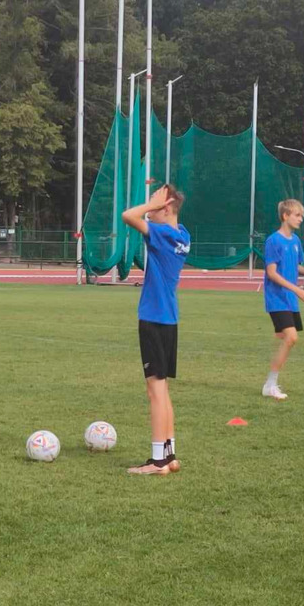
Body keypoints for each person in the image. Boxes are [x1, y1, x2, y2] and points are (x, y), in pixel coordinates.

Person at [120, 184, 192, 476]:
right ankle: (169, 454)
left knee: (155, 391)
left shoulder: (162, 234)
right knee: (163, 390)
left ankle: (157, 462)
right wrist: (157, 205)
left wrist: (150, 206)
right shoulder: (183, 234)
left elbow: (128, 216)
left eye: (154, 202)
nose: (148, 206)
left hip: (153, 317)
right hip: (170, 319)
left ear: (166, 206)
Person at [261, 199, 304, 400]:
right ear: (285, 216)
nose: (300, 219)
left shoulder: (295, 241)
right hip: (277, 298)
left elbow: (295, 266)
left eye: (301, 216)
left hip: (289, 300)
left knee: (284, 339)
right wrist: (297, 289)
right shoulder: (273, 241)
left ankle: (271, 381)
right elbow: (272, 273)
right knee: (291, 337)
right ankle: (270, 384)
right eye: (297, 215)